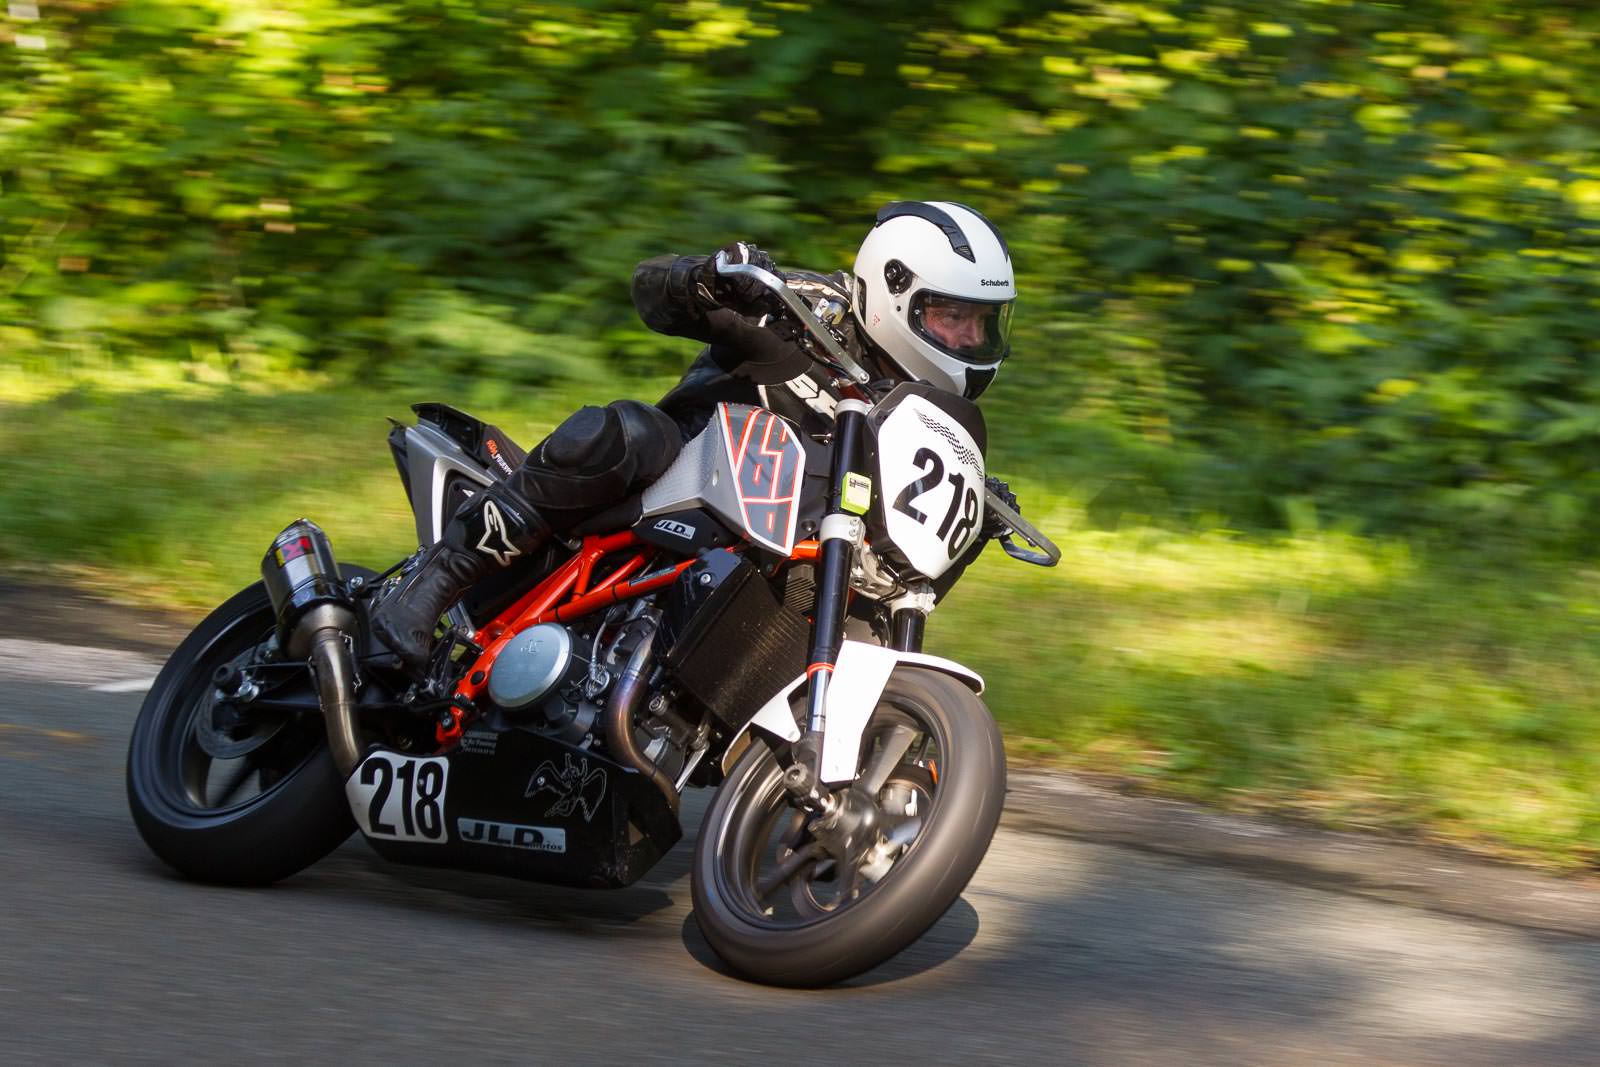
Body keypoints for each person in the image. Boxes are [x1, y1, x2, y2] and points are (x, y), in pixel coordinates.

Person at [368, 200, 1017, 670]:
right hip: (672, 494)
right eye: (952, 315)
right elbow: (648, 291)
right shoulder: (811, 308)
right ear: (896, 292)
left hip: (779, 564)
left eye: (983, 323)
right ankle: (437, 579)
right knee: (632, 429)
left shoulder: (926, 419)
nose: (969, 339)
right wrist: (705, 277)